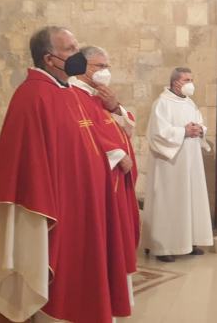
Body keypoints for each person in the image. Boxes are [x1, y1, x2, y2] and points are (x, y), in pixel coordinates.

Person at [0, 27, 131, 322]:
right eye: (71, 49)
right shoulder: (34, 95)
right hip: (54, 203)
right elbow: (27, 163)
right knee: (57, 267)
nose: (78, 55)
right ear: (50, 59)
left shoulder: (65, 92)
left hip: (83, 200)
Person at [68, 46, 140, 310]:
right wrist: (117, 155)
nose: (105, 72)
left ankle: (113, 293)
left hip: (115, 182)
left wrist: (114, 106)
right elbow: (80, 135)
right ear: (83, 68)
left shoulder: (96, 96)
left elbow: (127, 127)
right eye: (100, 66)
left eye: (107, 67)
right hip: (101, 180)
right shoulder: (72, 96)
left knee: (116, 240)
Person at [143, 67, 213, 263]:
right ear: (176, 82)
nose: (191, 83)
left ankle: (189, 242)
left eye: (192, 79)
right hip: (170, 163)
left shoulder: (190, 103)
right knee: (169, 201)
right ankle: (163, 246)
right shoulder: (161, 104)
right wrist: (183, 131)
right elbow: (158, 134)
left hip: (190, 161)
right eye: (187, 79)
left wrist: (200, 129)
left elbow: (199, 123)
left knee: (189, 199)